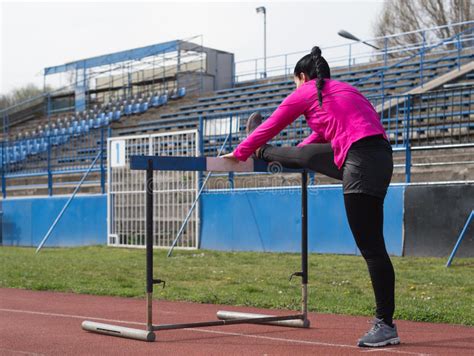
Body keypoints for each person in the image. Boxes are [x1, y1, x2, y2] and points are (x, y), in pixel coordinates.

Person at [221, 46, 399, 348]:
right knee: (374, 246)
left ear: (302, 77)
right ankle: (386, 324)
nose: (294, 88)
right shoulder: (344, 92)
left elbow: (271, 124)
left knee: (371, 249)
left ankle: (385, 325)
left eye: (294, 82)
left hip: (359, 161)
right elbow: (313, 145)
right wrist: (293, 157)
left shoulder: (305, 92)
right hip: (380, 157)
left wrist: (243, 152)